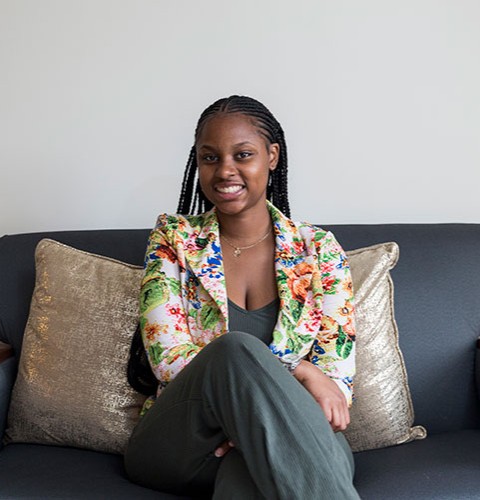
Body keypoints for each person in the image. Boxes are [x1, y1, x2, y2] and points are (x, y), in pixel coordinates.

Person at [124, 95, 360, 499]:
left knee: (254, 467)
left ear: (271, 156)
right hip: (181, 444)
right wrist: (301, 372)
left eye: (243, 154)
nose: (224, 171)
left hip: (286, 438)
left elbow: (335, 384)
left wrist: (254, 427)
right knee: (233, 350)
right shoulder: (173, 241)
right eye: (210, 158)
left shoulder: (319, 250)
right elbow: (168, 359)